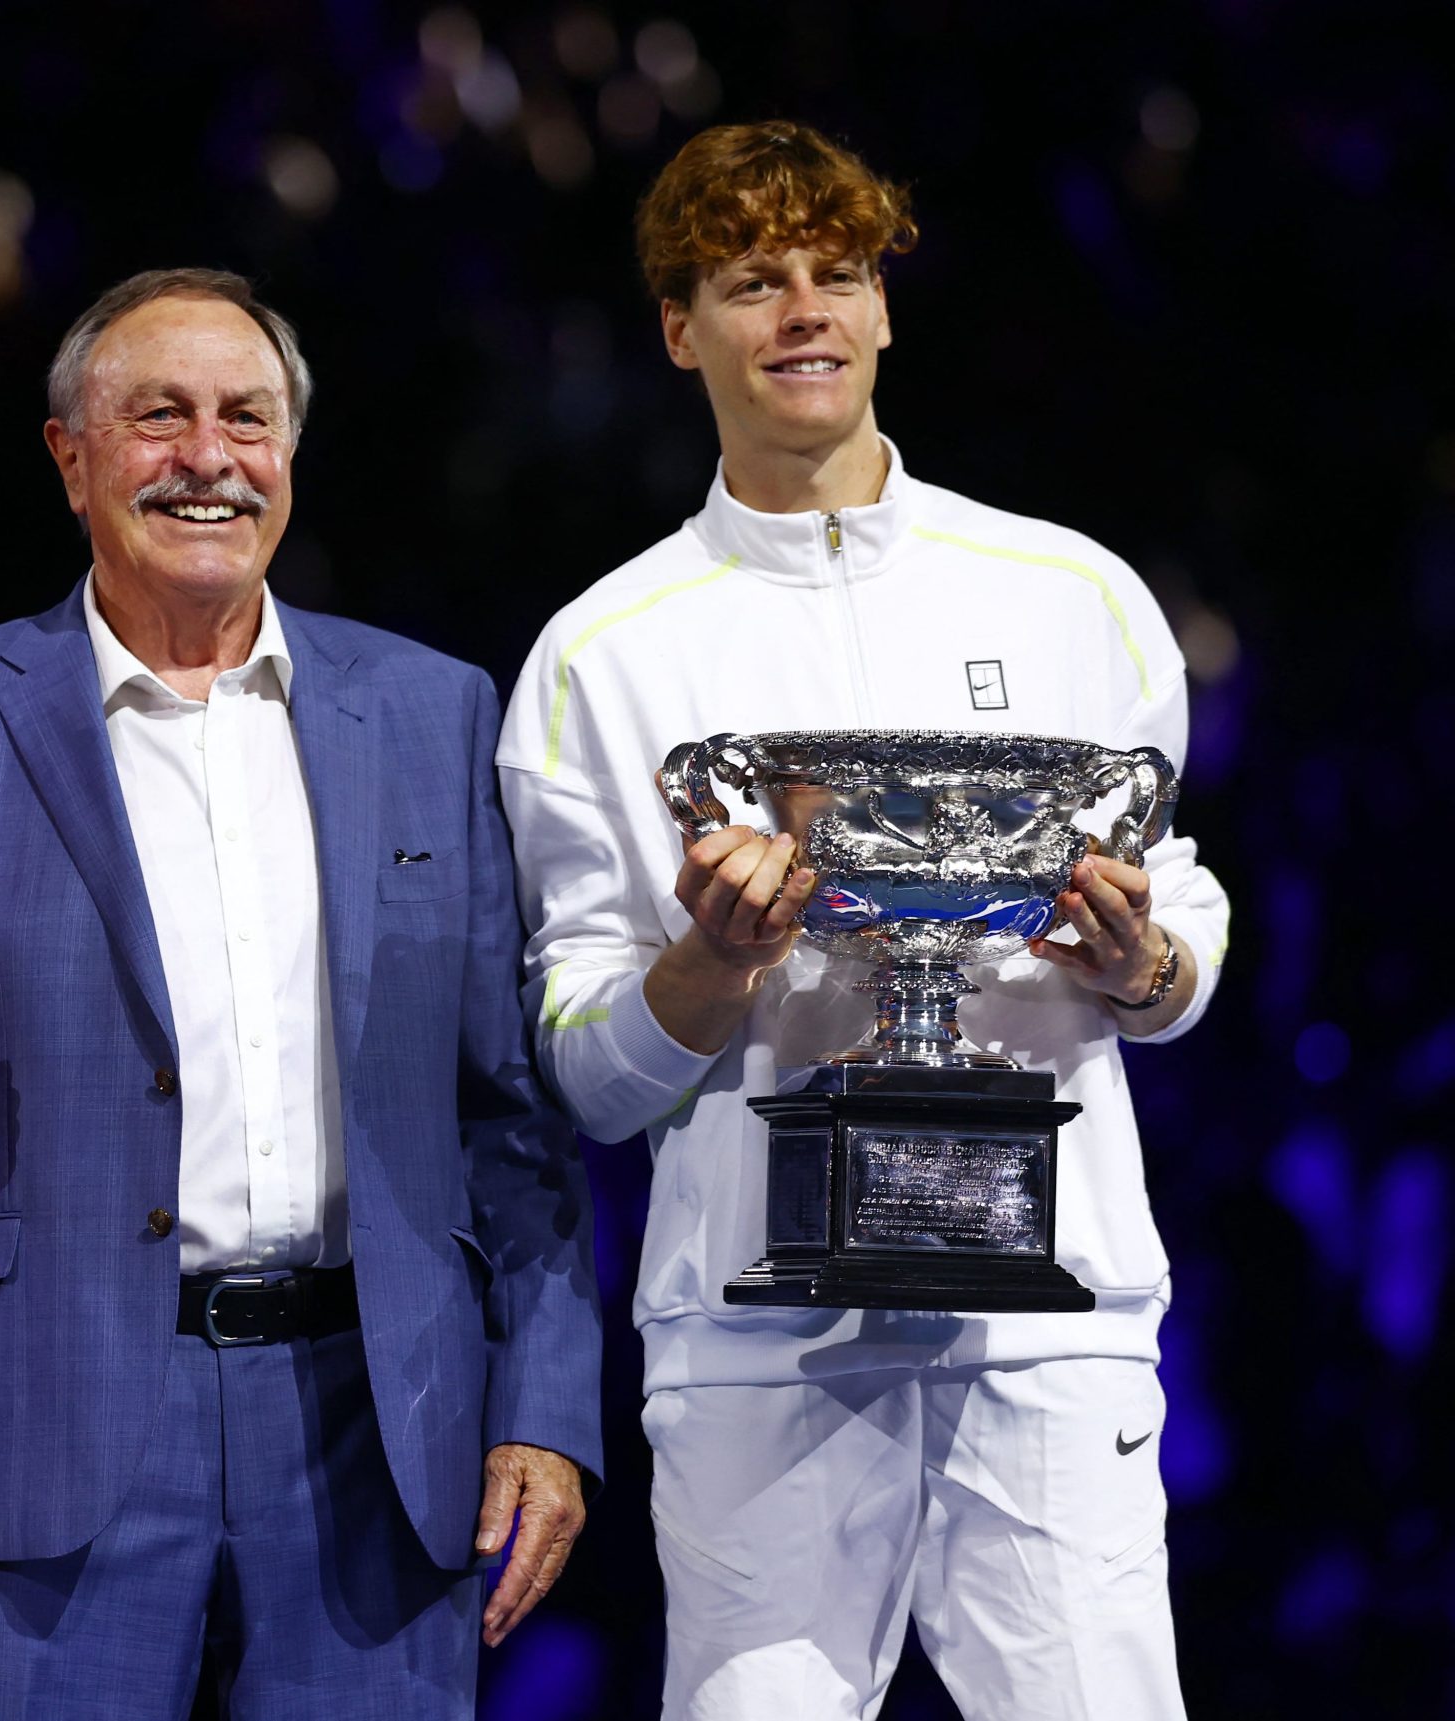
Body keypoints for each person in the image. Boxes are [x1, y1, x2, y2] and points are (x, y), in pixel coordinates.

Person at [0, 267, 603, 1717]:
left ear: (291, 452)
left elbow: (507, 1114)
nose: (208, 458)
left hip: (381, 1433)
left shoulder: (434, 711)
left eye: (247, 418)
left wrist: (542, 1406)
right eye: (158, 416)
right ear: (70, 456)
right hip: (39, 1433)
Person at [498, 121, 1228, 1719]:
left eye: (838, 271)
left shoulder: (1073, 595)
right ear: (680, 329)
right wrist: (708, 967)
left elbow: (1181, 917)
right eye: (753, 280)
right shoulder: (600, 656)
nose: (805, 310)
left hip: (1058, 1320)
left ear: (886, 308)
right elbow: (588, 1072)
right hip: (757, 1340)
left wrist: (1148, 961)